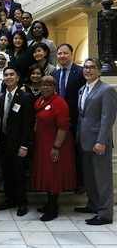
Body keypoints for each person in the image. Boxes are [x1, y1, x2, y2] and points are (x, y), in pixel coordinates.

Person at [74, 57, 117, 225]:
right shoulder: (82, 90)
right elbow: (82, 117)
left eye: (92, 67)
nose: (87, 70)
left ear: (99, 71)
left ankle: (105, 214)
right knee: (90, 178)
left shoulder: (107, 90)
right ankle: (93, 205)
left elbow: (108, 119)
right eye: (85, 67)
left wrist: (101, 141)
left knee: (103, 179)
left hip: (99, 142)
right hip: (85, 142)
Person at [32, 75, 76, 221]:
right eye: (43, 84)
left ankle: (53, 208)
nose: (45, 87)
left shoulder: (59, 103)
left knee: (53, 176)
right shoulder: (40, 101)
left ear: (54, 87)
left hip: (56, 145)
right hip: (42, 144)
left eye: (49, 85)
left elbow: (64, 126)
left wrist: (56, 147)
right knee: (46, 174)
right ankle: (49, 203)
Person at [0, 66, 35, 217]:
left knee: (19, 174)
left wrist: (24, 145)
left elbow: (28, 124)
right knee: (7, 173)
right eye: (6, 75)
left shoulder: (25, 97)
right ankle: (10, 199)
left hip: (19, 144)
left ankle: (22, 202)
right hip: (4, 143)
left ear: (18, 78)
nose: (8, 77)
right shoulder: (0, 97)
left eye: (12, 74)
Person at [52, 43, 86, 194]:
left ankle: (80, 183)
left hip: (76, 119)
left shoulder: (80, 72)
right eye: (60, 54)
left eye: (65, 53)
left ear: (71, 54)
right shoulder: (55, 75)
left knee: (78, 153)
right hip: (59, 121)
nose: (62, 56)